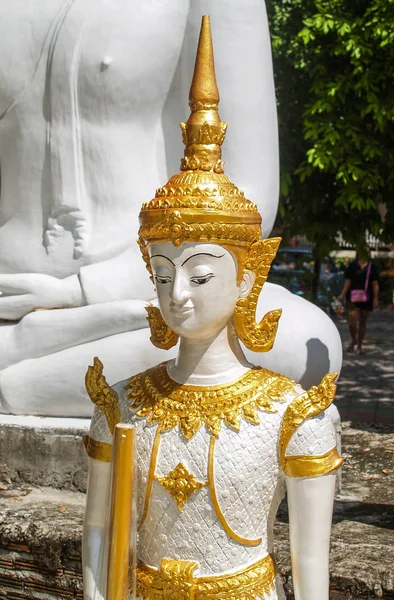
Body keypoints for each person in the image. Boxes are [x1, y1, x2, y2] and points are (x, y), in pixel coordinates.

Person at [82, 19, 343, 600]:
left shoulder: (294, 415)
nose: (178, 295)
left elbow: (310, 569)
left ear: (248, 274)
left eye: (200, 275)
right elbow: (98, 541)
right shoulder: (122, 402)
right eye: (163, 275)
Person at [337, 246, 379, 354]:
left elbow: (375, 284)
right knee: (352, 321)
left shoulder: (372, 267)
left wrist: (375, 298)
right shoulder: (352, 266)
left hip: (367, 298)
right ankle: (353, 340)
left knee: (363, 321)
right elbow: (348, 282)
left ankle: (359, 345)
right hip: (352, 297)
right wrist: (342, 294)